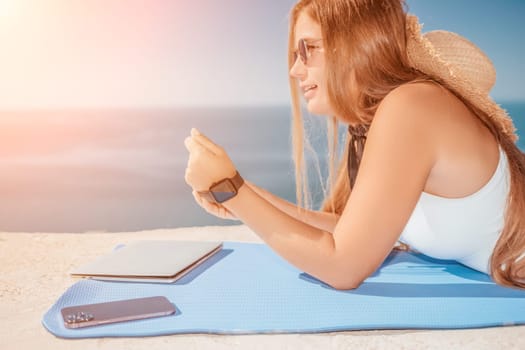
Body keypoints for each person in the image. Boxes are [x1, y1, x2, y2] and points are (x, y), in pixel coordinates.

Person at [184, 0, 525, 290]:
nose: (294, 70)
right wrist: (243, 194)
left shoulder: (412, 106)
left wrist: (235, 192)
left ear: (353, 45)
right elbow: (352, 232)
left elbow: (344, 266)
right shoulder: (382, 119)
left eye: (308, 50)